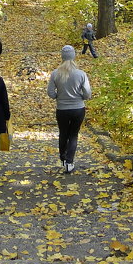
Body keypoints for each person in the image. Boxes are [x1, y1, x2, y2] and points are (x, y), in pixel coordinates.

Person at [47, 45, 92, 174]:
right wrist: (81, 97)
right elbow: (87, 94)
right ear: (73, 56)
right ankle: (69, 162)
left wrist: (58, 97)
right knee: (73, 135)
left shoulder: (55, 74)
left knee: (63, 133)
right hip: (78, 109)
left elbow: (50, 92)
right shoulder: (81, 74)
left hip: (62, 109)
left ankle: (62, 158)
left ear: (62, 57)